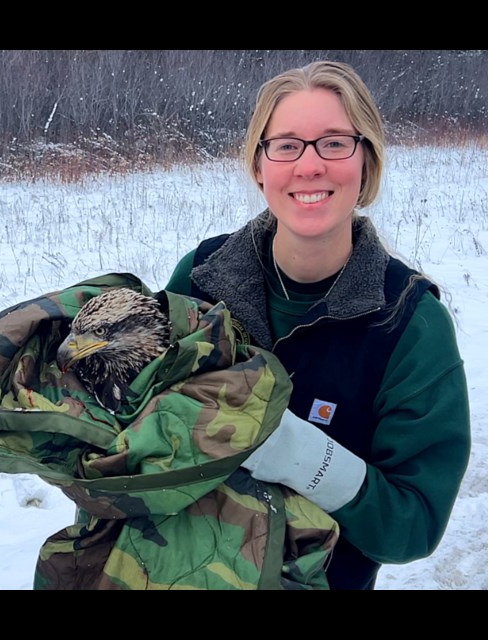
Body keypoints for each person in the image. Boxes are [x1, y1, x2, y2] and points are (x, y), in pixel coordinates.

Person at [163, 60, 471, 589]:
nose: (309, 166)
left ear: (366, 163)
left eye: (334, 143)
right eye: (286, 145)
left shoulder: (410, 323)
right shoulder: (200, 278)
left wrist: (305, 456)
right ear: (259, 165)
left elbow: (414, 524)